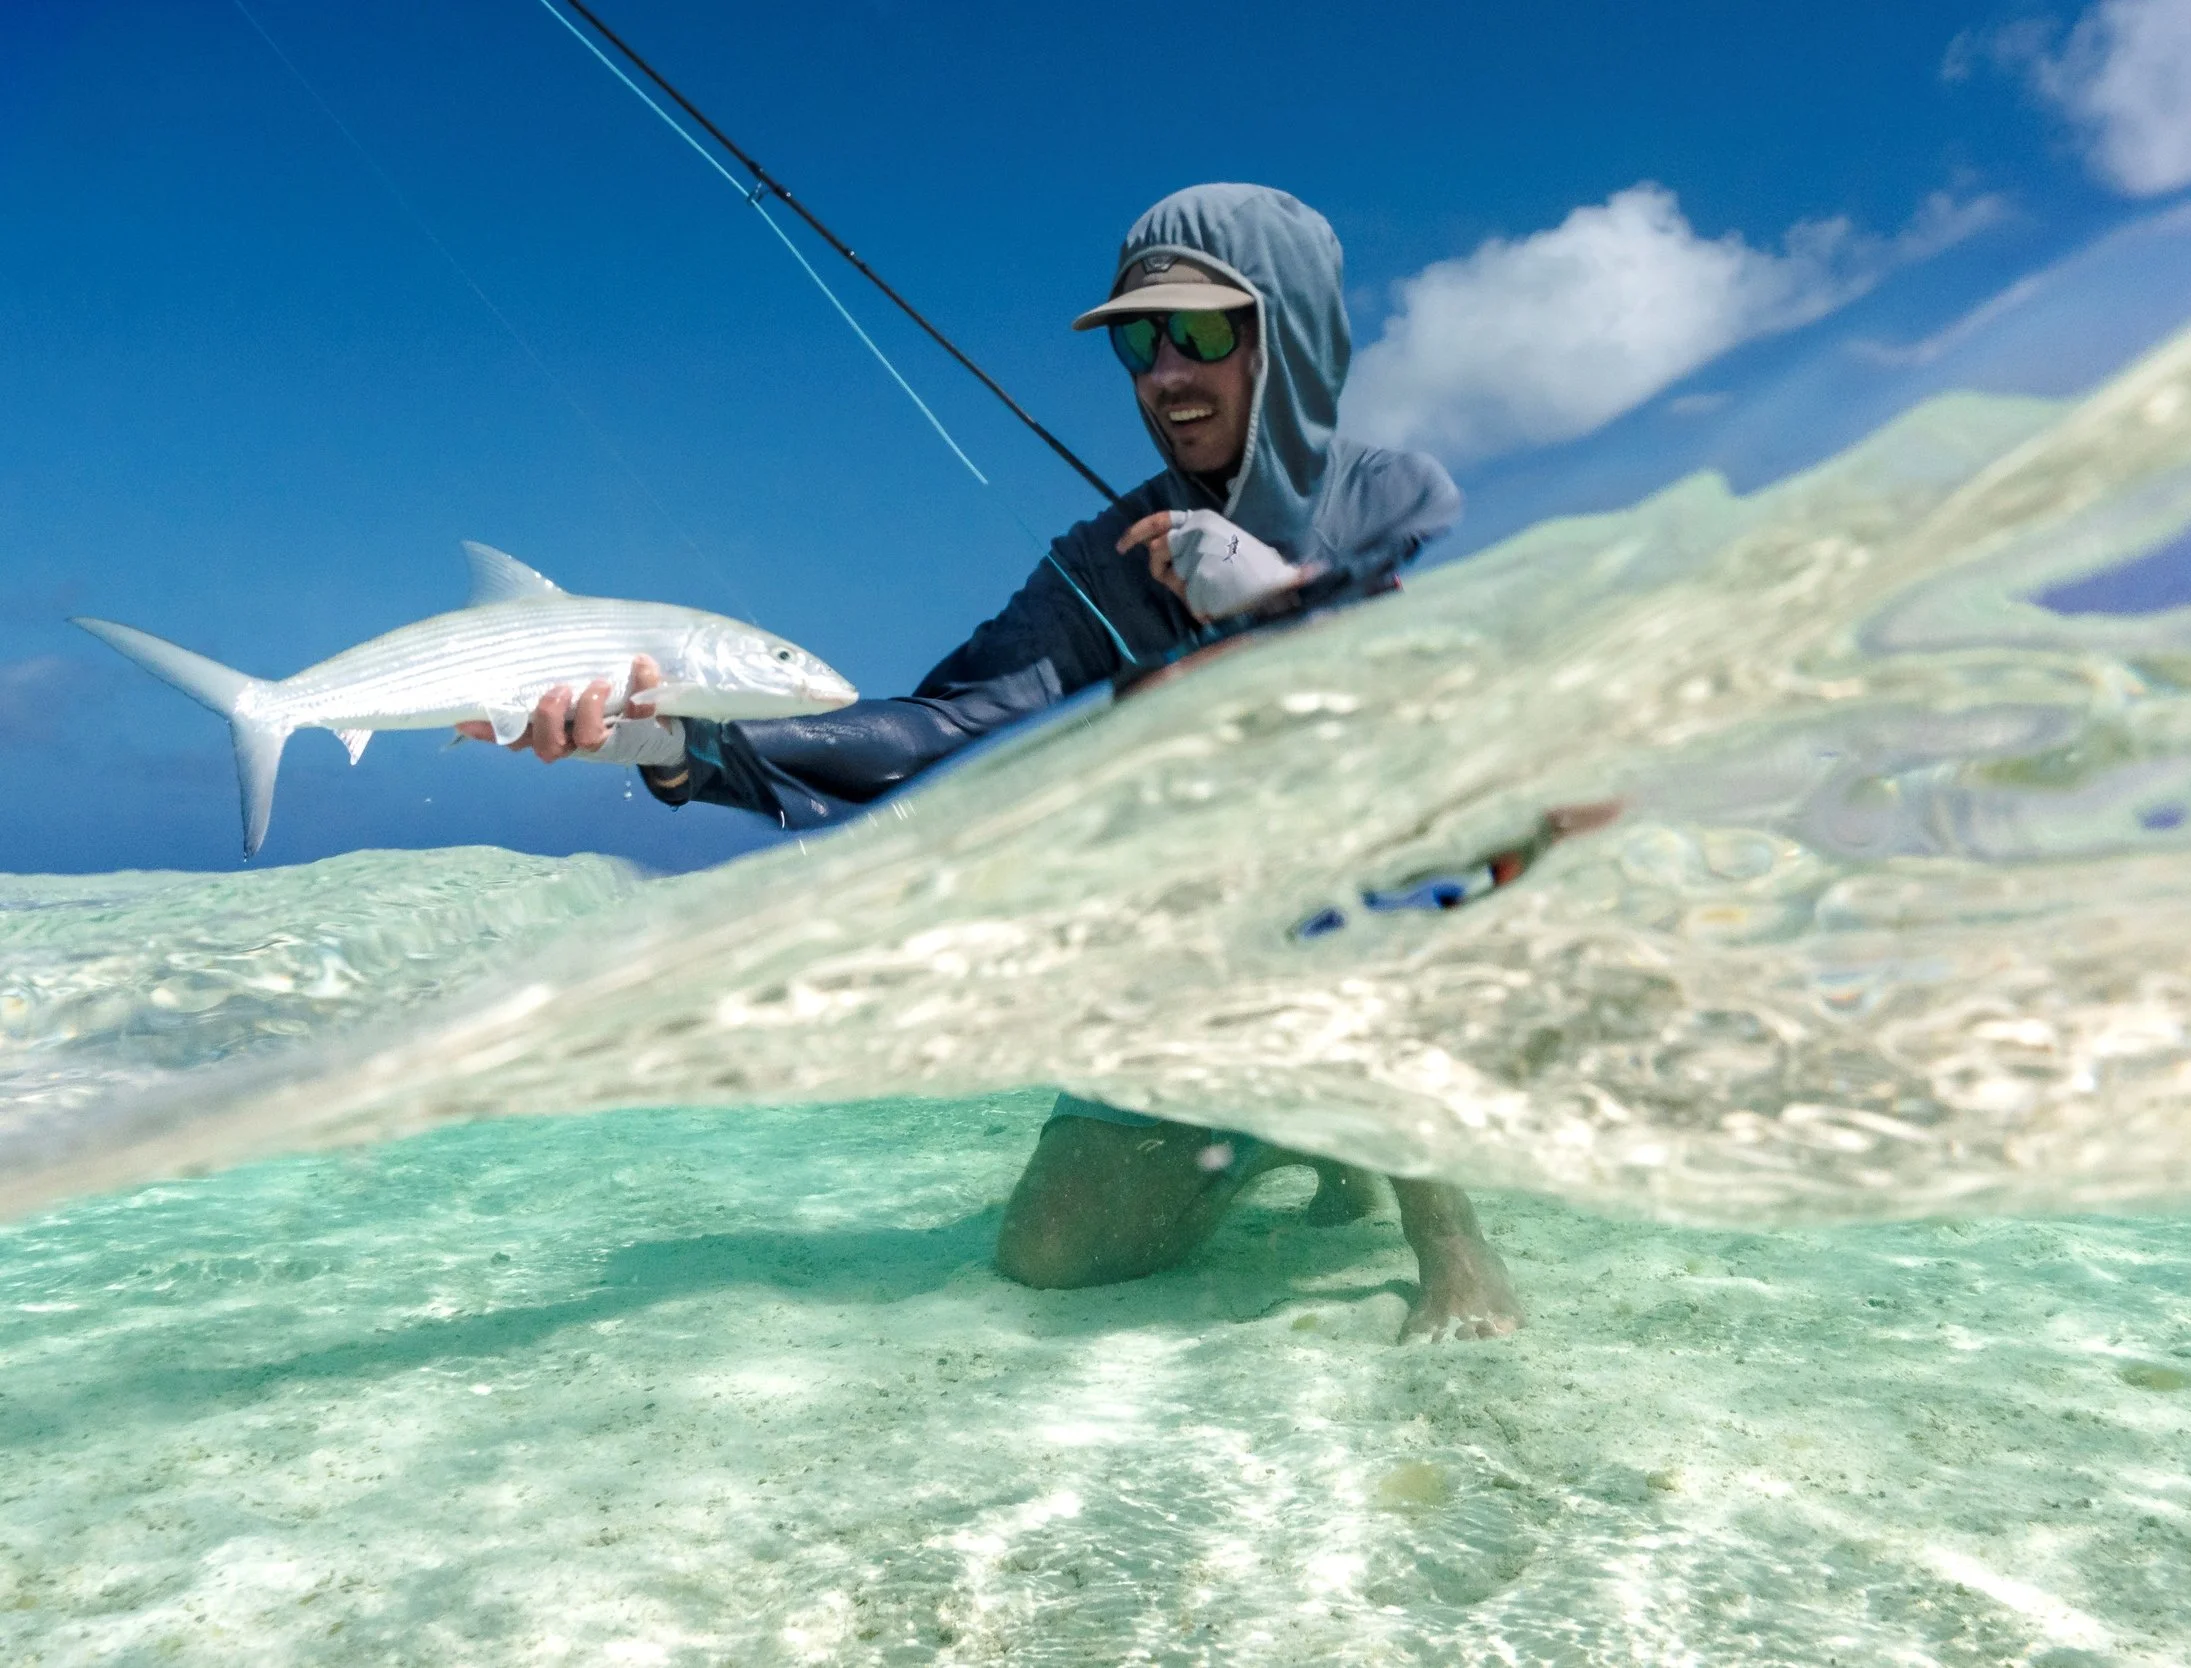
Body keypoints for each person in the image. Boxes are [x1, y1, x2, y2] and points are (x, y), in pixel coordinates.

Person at [463, 184, 1521, 1342]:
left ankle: (1441, 1225)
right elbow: (937, 729)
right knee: (1051, 1259)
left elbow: (1455, 718)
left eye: (1206, 332)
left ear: (1296, 335)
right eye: (1138, 339)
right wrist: (679, 745)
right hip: (1191, 965)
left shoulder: (1379, 500)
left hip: (1382, 935)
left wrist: (1281, 602)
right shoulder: (1104, 558)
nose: (1165, 373)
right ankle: (1284, 1126)